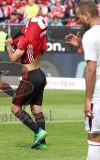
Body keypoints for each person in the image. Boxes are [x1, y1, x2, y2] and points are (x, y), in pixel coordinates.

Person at [5, 16, 48, 149]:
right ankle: (41, 143)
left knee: (15, 108)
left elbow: (13, 58)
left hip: (30, 77)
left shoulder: (24, 38)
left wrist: (8, 46)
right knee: (37, 109)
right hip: (40, 75)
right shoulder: (41, 40)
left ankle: (38, 131)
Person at [65, 1, 100, 159]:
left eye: (79, 17)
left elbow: (91, 69)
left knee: (94, 137)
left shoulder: (91, 35)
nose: (78, 21)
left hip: (98, 95)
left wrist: (87, 99)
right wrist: (80, 44)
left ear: (86, 16)